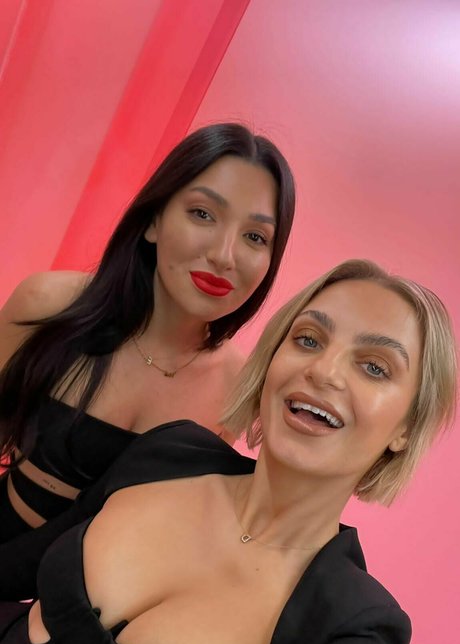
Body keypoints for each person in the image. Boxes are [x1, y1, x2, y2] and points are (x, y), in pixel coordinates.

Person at [0, 259, 457, 644]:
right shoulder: (170, 453)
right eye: (308, 339)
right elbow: (16, 567)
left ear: (406, 427)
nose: (325, 371)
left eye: (375, 367)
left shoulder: (350, 629)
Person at [0, 122, 295, 576]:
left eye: (255, 237)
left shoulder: (238, 389)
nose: (224, 254)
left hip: (75, 609)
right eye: (203, 213)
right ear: (154, 220)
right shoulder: (48, 304)